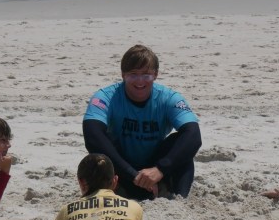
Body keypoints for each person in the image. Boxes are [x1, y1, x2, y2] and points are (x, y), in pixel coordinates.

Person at [83, 45, 202, 200]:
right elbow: (92, 135)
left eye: (146, 75)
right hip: (120, 169)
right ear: (123, 75)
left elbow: (194, 135)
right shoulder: (106, 96)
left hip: (155, 168)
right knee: (96, 155)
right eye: (133, 75)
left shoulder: (168, 98)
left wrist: (159, 170)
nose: (140, 81)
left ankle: (177, 200)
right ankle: (119, 192)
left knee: (181, 145)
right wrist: (133, 175)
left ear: (156, 74)